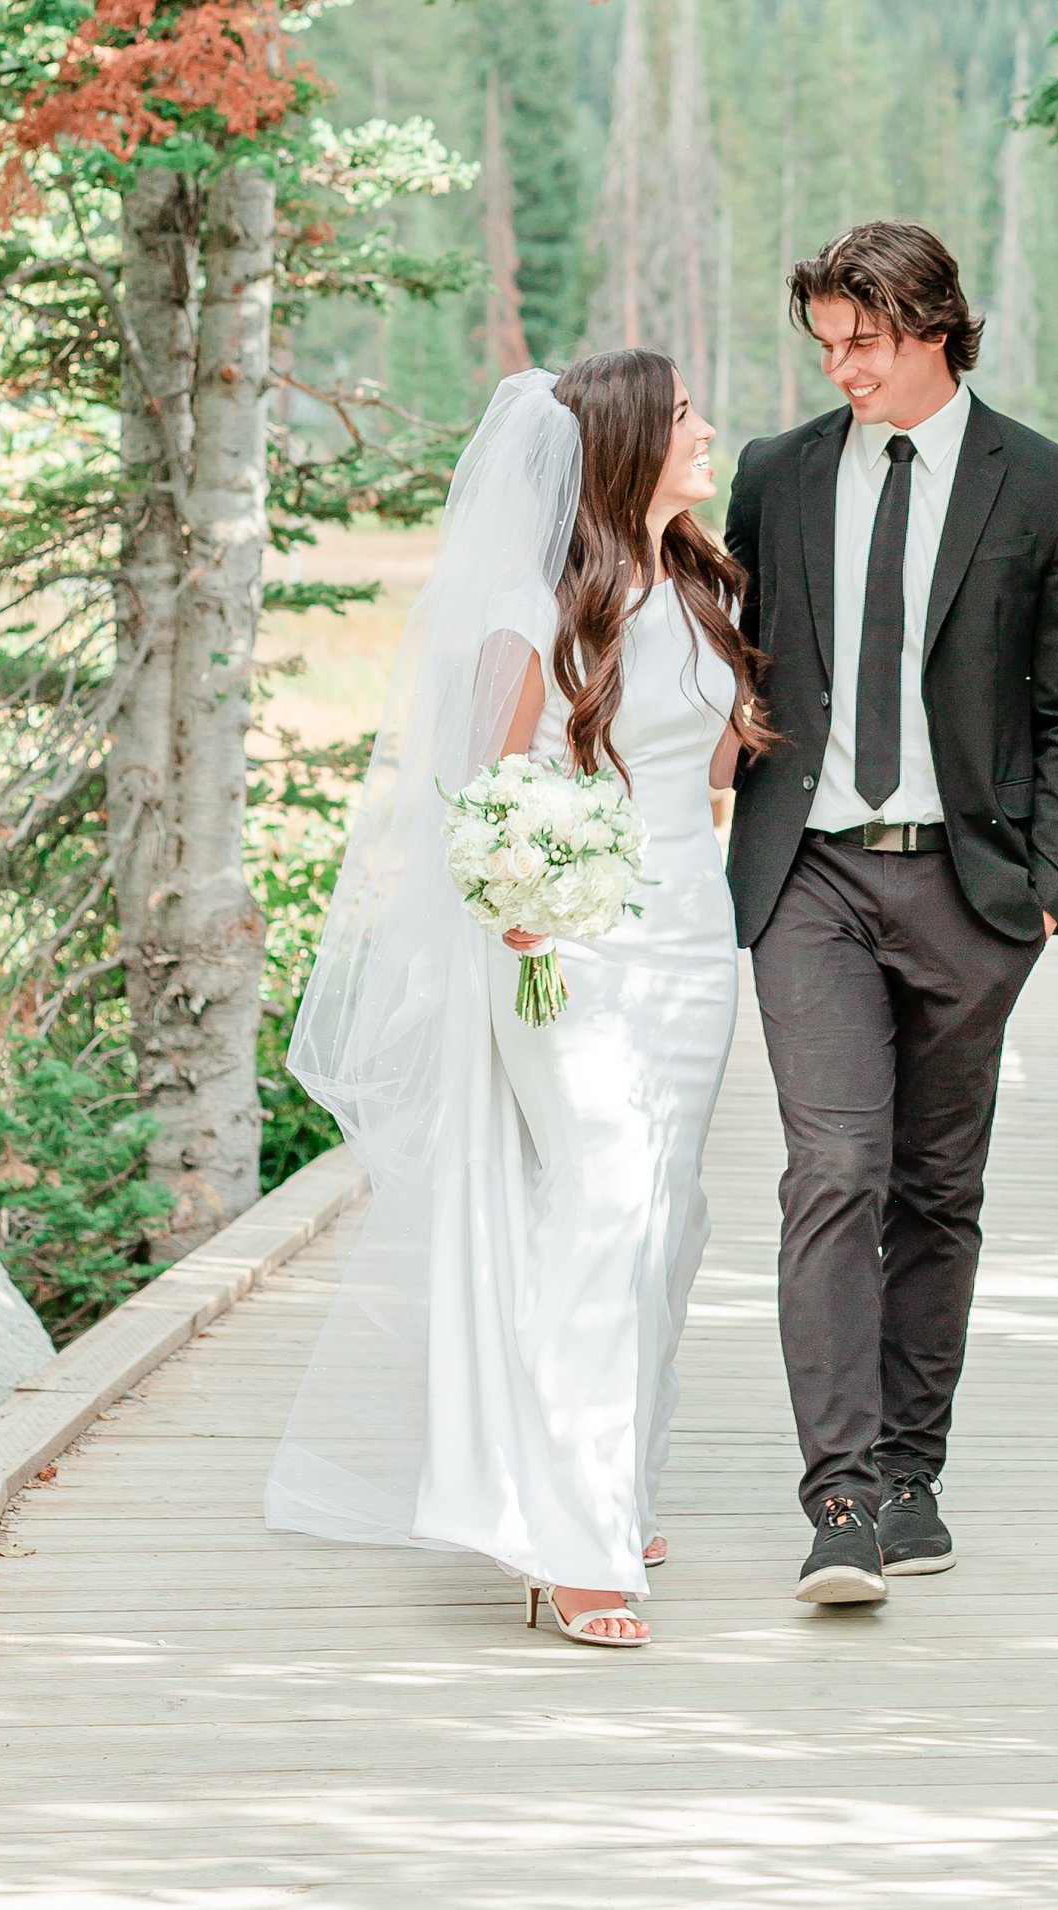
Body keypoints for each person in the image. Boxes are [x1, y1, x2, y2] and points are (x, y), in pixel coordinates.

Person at [266, 352, 771, 1649]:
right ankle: (569, 1538)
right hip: (562, 946)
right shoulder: (532, 610)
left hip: (690, 939)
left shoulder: (709, 587)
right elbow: (481, 802)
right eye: (680, 417)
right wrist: (529, 902)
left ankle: (615, 1478)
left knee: (667, 1215)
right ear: (622, 446)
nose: (705, 428)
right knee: (602, 1199)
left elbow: (709, 764)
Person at [724, 221, 1058, 1605]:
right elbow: (729, 662)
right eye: (825, 346)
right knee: (834, 1170)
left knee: (939, 1189)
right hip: (810, 878)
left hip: (969, 888)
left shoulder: (1050, 487)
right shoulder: (773, 478)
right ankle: (835, 1495)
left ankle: (908, 1470)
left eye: (863, 344)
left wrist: (1046, 889)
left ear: (934, 326)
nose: (841, 371)